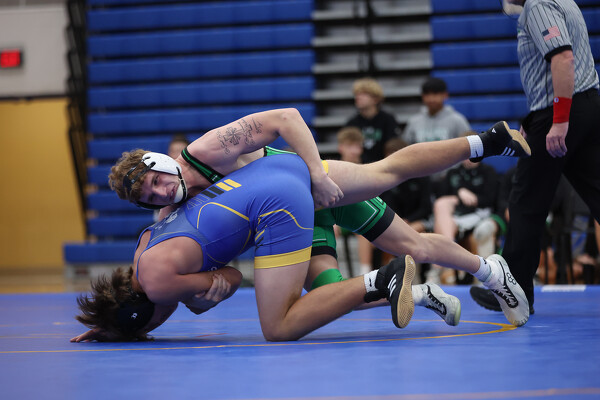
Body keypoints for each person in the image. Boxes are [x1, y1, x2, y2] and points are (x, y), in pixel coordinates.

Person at [108, 109, 531, 326]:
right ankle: (420, 293)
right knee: (330, 296)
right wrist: (125, 322)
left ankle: (490, 263)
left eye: (156, 181)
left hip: (310, 187)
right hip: (287, 226)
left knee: (397, 201)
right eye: (149, 197)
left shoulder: (206, 151)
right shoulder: (171, 215)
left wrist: (316, 172)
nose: (161, 192)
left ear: (160, 162)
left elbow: (286, 118)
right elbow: (170, 287)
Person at [73, 155, 420, 342]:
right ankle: (409, 289)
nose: (157, 325)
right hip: (275, 170)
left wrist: (204, 296)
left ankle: (382, 279)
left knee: (279, 327)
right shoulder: (144, 245)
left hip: (276, 207)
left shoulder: (157, 285)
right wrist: (111, 321)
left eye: (148, 327)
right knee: (387, 171)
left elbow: (233, 278)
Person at [470, 0, 600, 313]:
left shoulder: (539, 4)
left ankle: (513, 292)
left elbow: (563, 58)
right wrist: (536, 120)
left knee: (525, 202)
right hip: (587, 105)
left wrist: (559, 120)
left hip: (562, 113)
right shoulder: (565, 2)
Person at [427, 156, 499, 285]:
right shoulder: (453, 172)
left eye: (471, 156)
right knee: (441, 206)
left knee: (441, 219)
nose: (467, 159)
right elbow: (441, 195)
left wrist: (474, 198)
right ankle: (449, 254)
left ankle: (439, 268)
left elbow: (491, 200)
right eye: (464, 155)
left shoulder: (488, 171)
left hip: (480, 213)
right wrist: (459, 192)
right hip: (456, 216)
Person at [345, 78, 401, 163]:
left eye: (363, 93)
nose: (358, 97)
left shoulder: (388, 120)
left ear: (376, 99)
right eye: (357, 94)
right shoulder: (352, 123)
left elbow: (393, 147)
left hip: (383, 165)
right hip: (359, 166)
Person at [404, 77, 471, 145]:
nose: (431, 99)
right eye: (427, 94)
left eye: (435, 94)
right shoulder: (414, 121)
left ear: (445, 95)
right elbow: (405, 146)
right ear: (422, 96)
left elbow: (468, 145)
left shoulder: (458, 120)